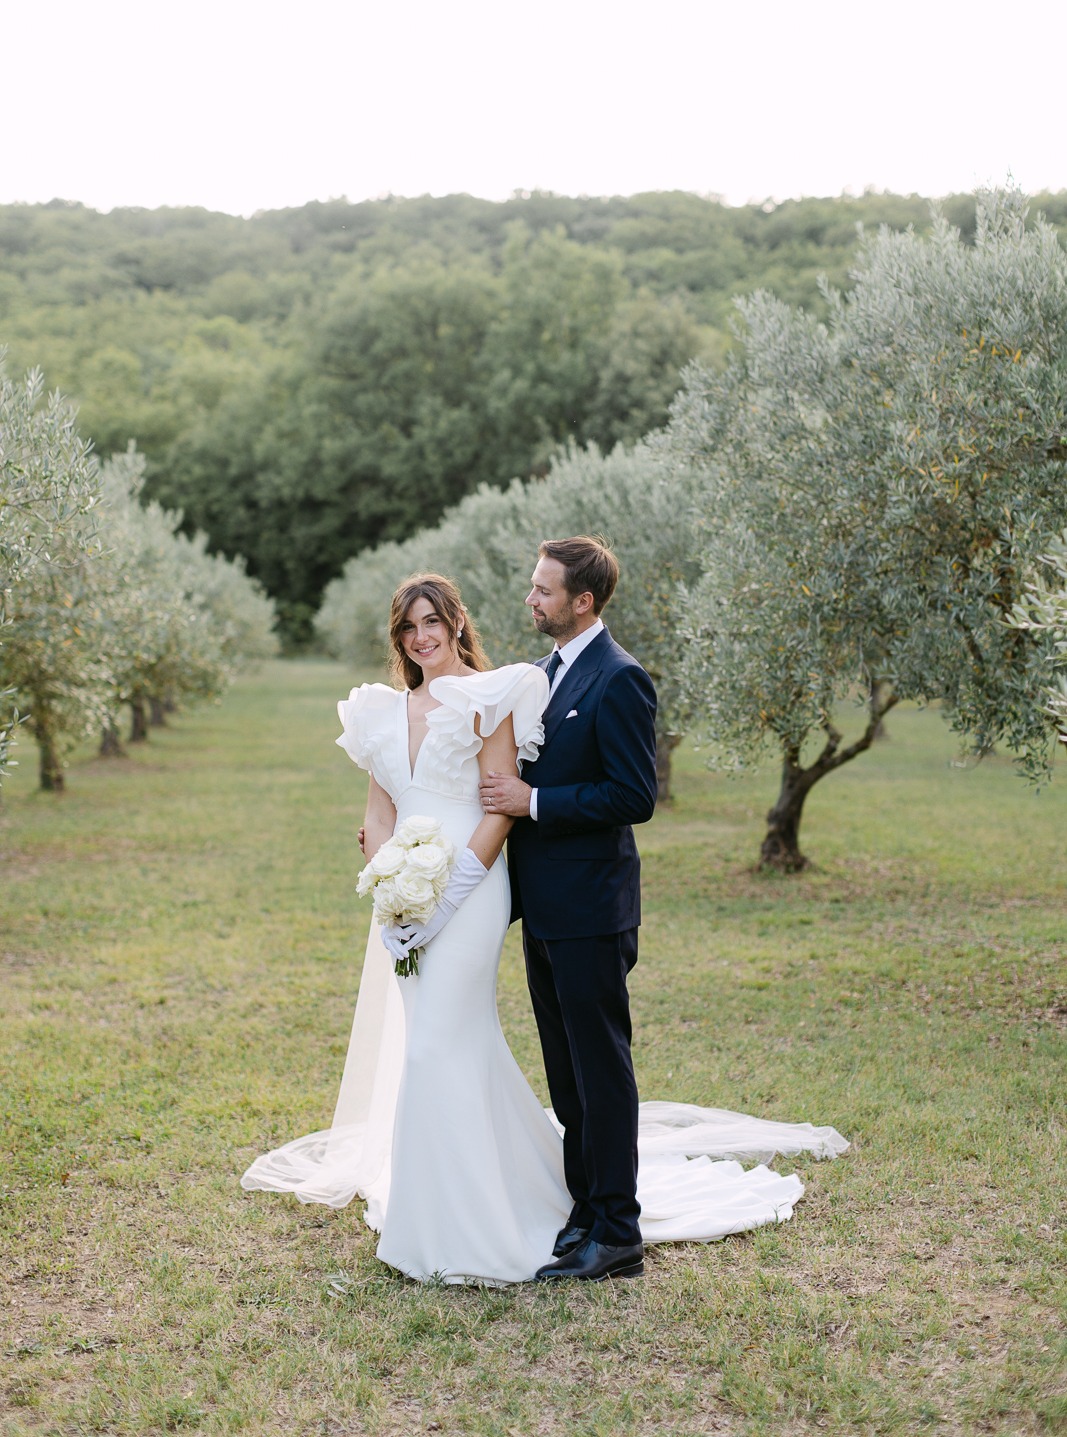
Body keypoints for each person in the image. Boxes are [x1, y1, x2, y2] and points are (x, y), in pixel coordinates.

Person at [241, 568, 849, 1285]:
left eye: (432, 621)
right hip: (425, 898)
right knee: (481, 1057)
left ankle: (585, 1223)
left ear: (456, 622)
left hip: (484, 888)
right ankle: (502, 1206)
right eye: (408, 627)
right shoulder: (422, 701)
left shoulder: (514, 689)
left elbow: (520, 800)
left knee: (468, 1048)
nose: (421, 636)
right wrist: (390, 894)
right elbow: (379, 813)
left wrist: (452, 888)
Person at [477, 537, 655, 1281]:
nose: (531, 598)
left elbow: (633, 795)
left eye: (543, 589)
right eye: (533, 586)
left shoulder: (620, 680)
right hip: (543, 908)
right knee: (565, 1072)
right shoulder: (539, 675)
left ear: (582, 600)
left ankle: (617, 1231)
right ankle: (583, 1207)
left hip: (591, 907)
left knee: (600, 1070)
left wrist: (535, 801)